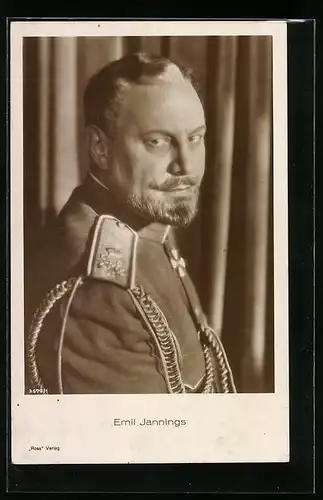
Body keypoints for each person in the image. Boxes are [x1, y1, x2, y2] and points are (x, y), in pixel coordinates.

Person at [25, 52, 236, 395]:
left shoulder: (143, 218)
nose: (186, 165)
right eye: (158, 142)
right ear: (99, 148)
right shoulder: (97, 291)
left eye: (195, 138)